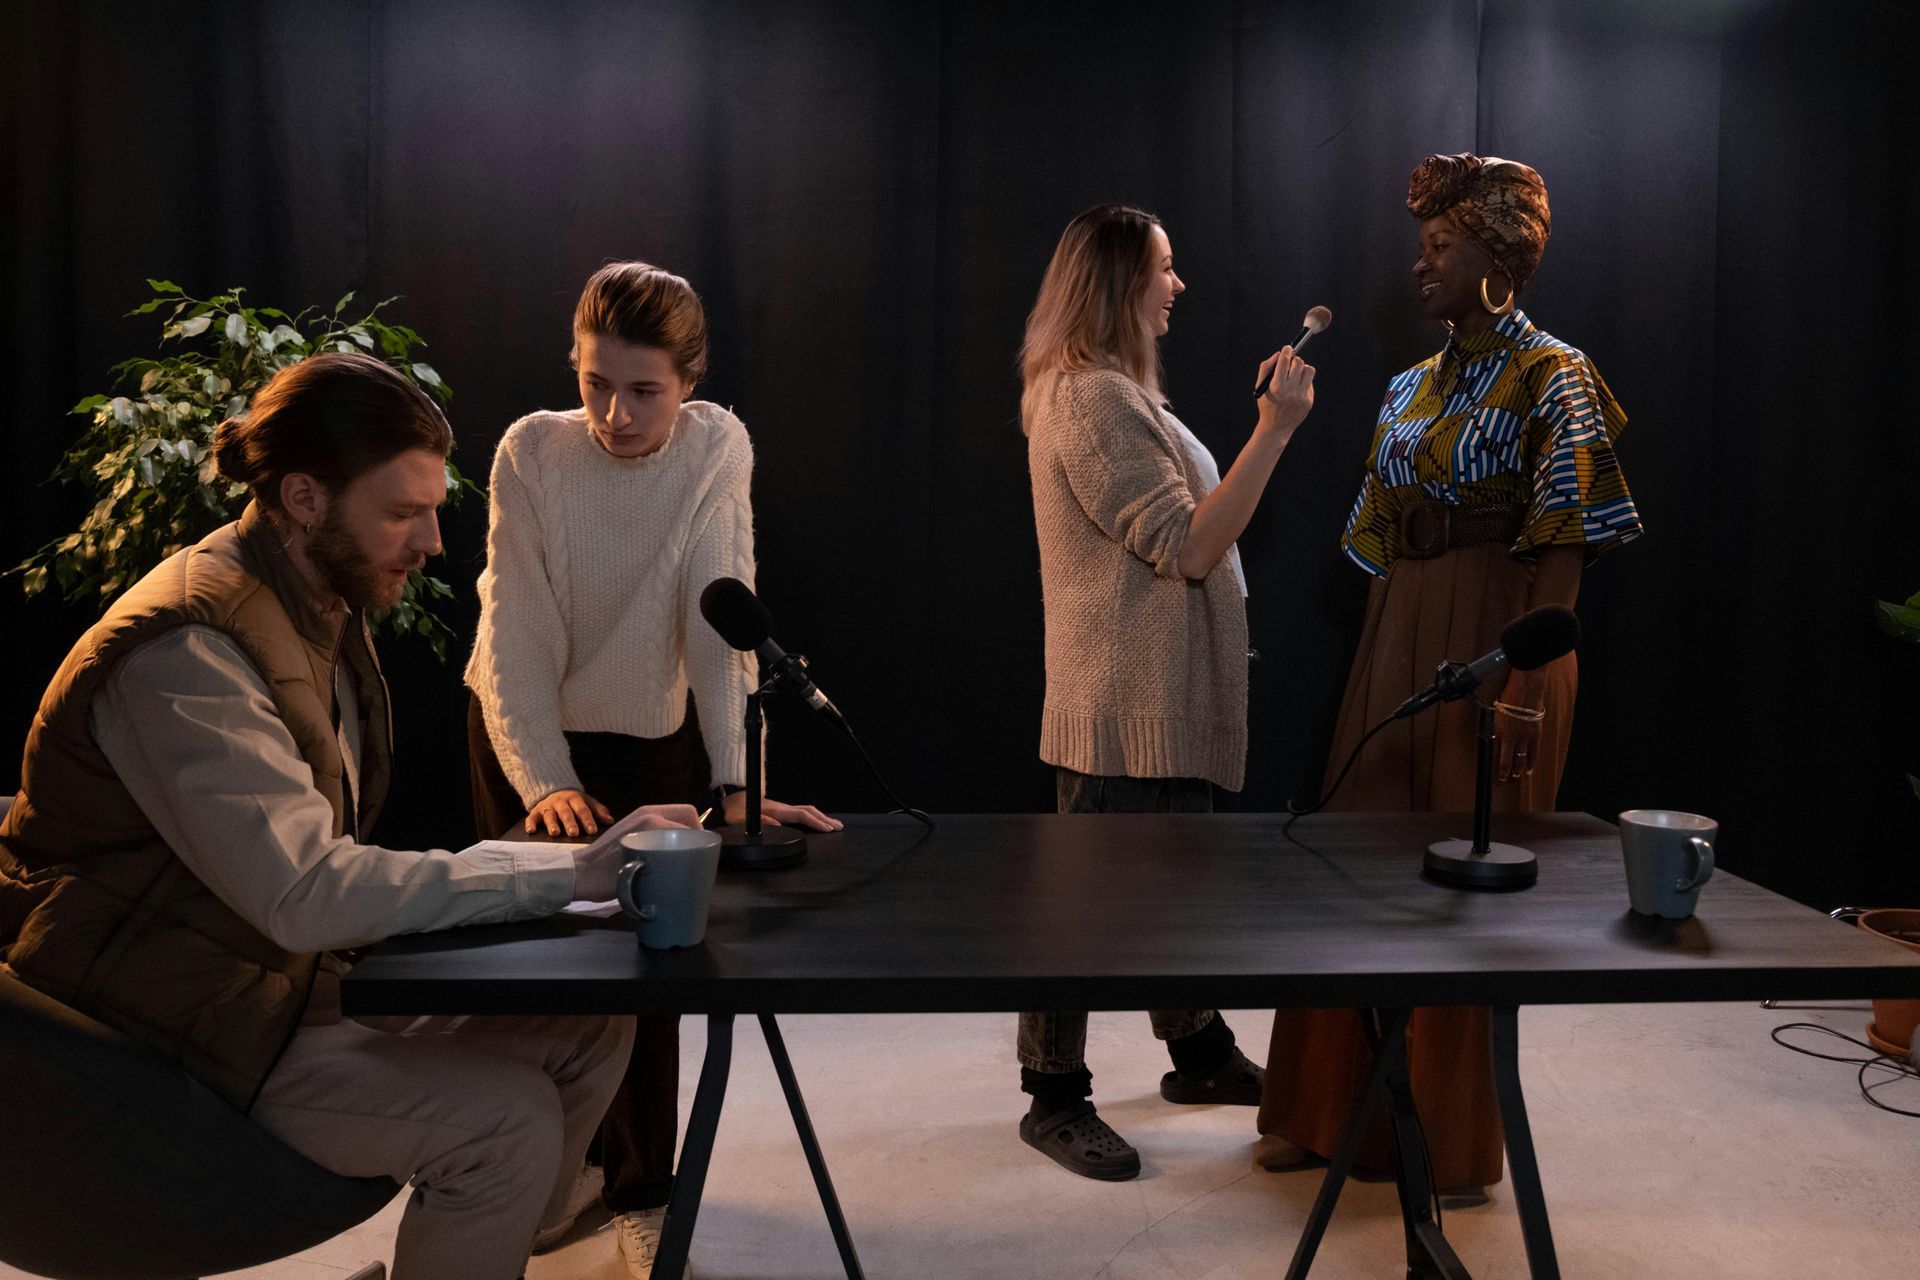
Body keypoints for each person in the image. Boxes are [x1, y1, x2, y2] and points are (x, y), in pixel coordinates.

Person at [0, 351, 698, 1280]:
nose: (433, 541)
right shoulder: (185, 651)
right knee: (508, 1123)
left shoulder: (303, 604)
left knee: (588, 1023)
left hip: (272, 986)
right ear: (303, 497)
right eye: (403, 512)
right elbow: (307, 892)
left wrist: (539, 875)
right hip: (164, 1042)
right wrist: (570, 873)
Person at [1256, 154, 1643, 1203]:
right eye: (1420, 246)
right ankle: (1318, 1110)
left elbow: (1565, 544)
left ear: (1499, 257)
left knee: (1465, 887)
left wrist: (1525, 680)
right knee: (1358, 864)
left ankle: (1443, 1141)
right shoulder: (1404, 386)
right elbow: (1375, 543)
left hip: (1508, 627)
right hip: (1400, 627)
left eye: (1443, 247)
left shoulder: (1555, 375)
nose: (1421, 265)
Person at [465, 260, 838, 1276]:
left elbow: (720, 616)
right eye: (594, 383)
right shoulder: (529, 454)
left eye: (643, 389)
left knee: (652, 973)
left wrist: (734, 779)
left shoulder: (717, 446)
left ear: (689, 379)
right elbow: (517, 626)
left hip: (648, 736)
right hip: (523, 726)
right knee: (537, 959)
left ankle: (642, 1185)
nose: (615, 414)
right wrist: (542, 777)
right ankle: (553, 1170)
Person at [1019, 203, 1317, 1180]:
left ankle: (1196, 1051)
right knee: (1084, 914)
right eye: (1165, 266)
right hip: (1119, 713)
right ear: (1119, 283)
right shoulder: (1088, 399)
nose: (1178, 283)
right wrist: (1273, 432)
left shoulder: (1119, 394)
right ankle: (1052, 1094)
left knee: (1172, 890)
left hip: (1151, 704)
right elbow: (1190, 544)